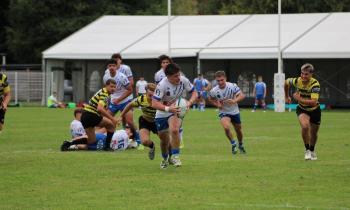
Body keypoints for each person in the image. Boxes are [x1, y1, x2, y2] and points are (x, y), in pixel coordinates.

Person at [152, 63, 197, 169]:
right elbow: (154, 103)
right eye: (175, 76)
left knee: (175, 130)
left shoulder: (183, 80)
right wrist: (168, 108)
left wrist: (189, 103)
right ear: (168, 77)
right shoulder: (162, 85)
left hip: (176, 110)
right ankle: (164, 158)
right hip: (162, 112)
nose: (178, 78)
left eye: (179, 75)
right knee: (164, 141)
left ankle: (175, 156)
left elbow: (194, 92)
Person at [284, 63, 321, 161]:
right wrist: (286, 96)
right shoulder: (297, 81)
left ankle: (312, 150)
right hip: (302, 109)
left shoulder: (315, 84)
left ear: (311, 74)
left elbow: (313, 102)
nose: (303, 76)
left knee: (314, 133)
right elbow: (286, 82)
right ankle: (307, 150)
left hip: (315, 110)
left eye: (306, 74)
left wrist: (298, 98)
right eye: (302, 73)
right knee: (305, 126)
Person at [104, 53, 141, 146]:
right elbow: (106, 90)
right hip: (114, 101)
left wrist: (119, 99)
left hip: (126, 101)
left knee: (129, 121)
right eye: (110, 65)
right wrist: (107, 102)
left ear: (117, 66)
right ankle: (109, 139)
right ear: (107, 67)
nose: (112, 67)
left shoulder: (122, 77)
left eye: (113, 65)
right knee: (105, 120)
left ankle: (138, 138)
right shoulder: (106, 76)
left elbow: (130, 90)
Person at [80, 64, 118, 150]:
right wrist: (112, 119)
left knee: (91, 142)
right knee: (111, 125)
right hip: (91, 115)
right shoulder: (104, 93)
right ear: (106, 86)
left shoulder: (104, 93)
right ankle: (107, 147)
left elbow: (103, 109)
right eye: (111, 86)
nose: (113, 88)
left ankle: (72, 144)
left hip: (85, 116)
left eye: (115, 87)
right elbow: (100, 109)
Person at [208, 71, 246, 156]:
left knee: (238, 130)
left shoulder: (232, 86)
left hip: (235, 111)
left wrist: (234, 100)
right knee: (226, 127)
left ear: (225, 78)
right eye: (218, 81)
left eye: (222, 80)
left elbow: (242, 95)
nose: (220, 82)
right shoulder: (214, 90)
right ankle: (233, 144)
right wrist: (217, 104)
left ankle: (240, 144)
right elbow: (210, 99)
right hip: (224, 112)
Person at [119, 83, 157, 160]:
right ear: (146, 91)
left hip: (157, 121)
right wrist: (121, 116)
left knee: (166, 141)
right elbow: (130, 105)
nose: (152, 93)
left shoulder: (159, 99)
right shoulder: (141, 99)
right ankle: (152, 146)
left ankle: (170, 157)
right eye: (150, 91)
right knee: (145, 141)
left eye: (154, 91)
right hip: (145, 121)